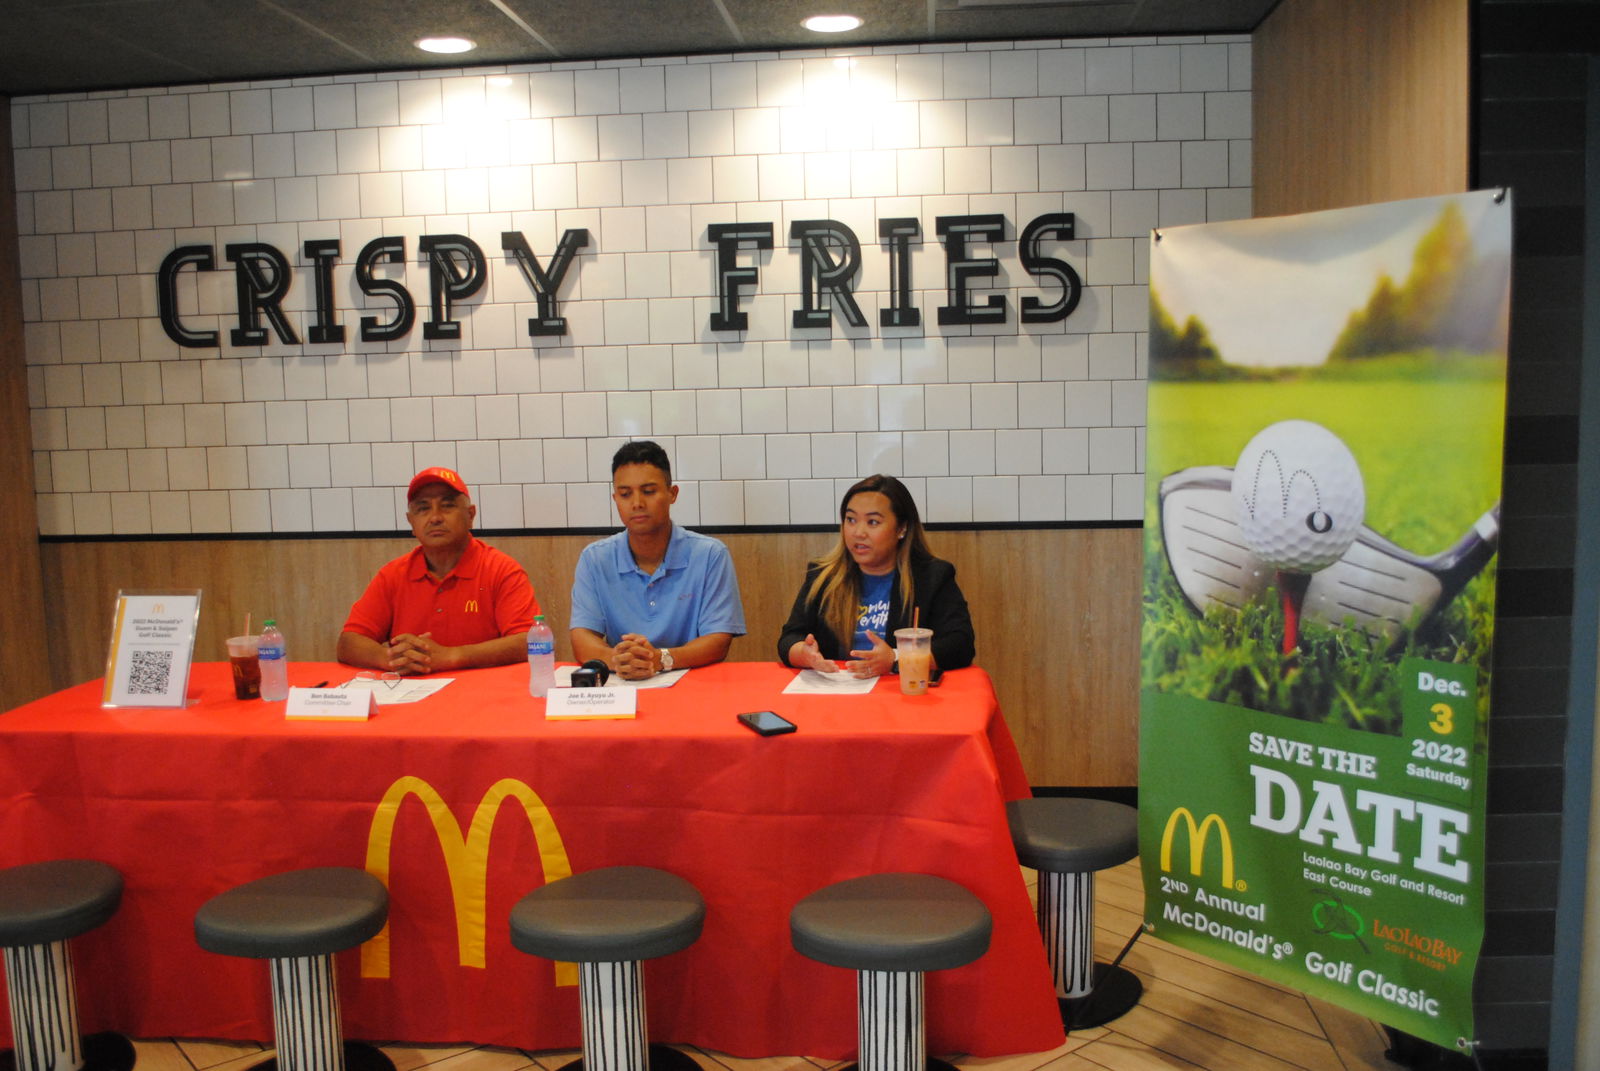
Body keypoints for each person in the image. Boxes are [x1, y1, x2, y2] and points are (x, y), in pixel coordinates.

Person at [338, 467, 539, 676]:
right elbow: (349, 642)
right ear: (411, 522)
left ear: (470, 515)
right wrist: (392, 659)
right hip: (410, 696)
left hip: (483, 696)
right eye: (423, 508)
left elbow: (529, 641)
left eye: (447, 506)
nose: (435, 518)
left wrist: (451, 657)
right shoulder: (393, 575)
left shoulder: (501, 570)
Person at [570, 440, 746, 680]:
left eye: (649, 491)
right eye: (625, 494)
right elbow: (582, 637)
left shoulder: (710, 555)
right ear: (615, 498)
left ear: (672, 494)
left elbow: (718, 640)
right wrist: (620, 660)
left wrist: (661, 659)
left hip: (694, 684)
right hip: (622, 685)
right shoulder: (595, 559)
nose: (637, 503)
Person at [778, 474, 975, 678]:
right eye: (851, 520)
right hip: (838, 692)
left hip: (899, 693)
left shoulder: (932, 577)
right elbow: (790, 637)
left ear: (901, 528)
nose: (858, 532)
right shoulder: (822, 577)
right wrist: (803, 653)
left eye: (872, 522)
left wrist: (896, 658)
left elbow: (960, 645)